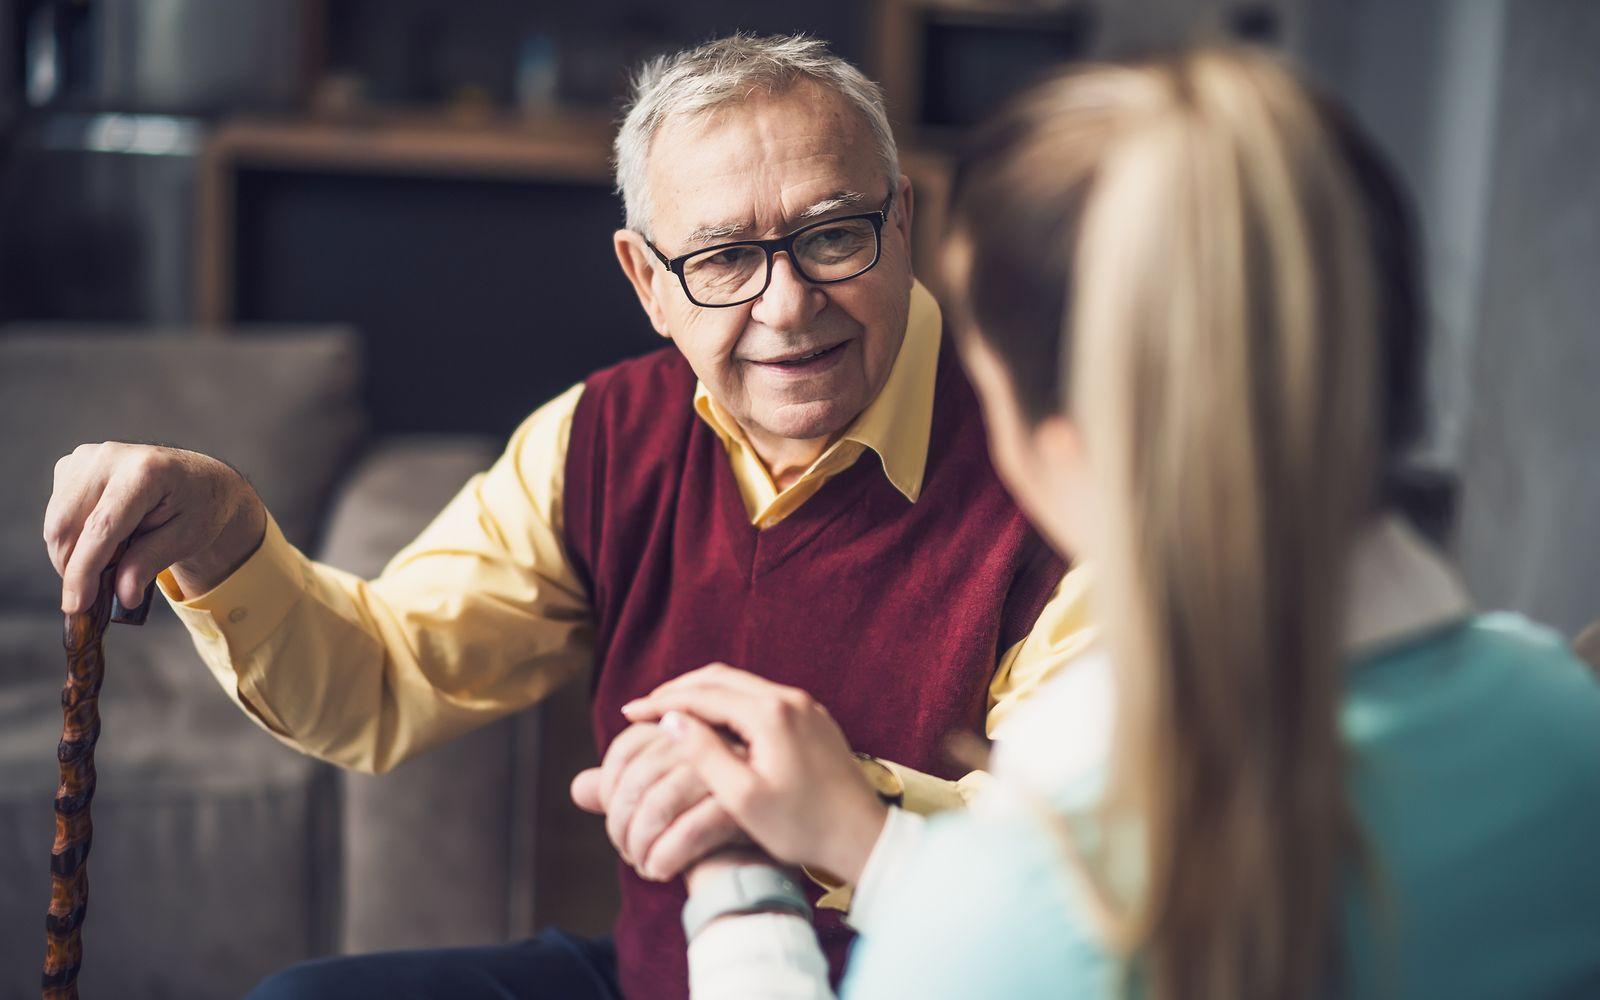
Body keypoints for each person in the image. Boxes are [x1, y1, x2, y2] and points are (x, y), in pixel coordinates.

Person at [39, 34, 1093, 1000]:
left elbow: (1082, 892)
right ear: (648, 280)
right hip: (660, 976)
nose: (785, 304)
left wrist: (824, 801)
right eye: (723, 259)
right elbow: (384, 677)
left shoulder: (1059, 469)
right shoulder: (598, 437)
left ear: (903, 220)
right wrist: (227, 538)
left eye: (833, 236)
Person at [627, 48, 1600, 999]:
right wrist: (870, 846)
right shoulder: (1566, 725)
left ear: (1053, 431)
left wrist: (738, 888)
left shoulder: (1029, 899)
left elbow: (1032, 935)